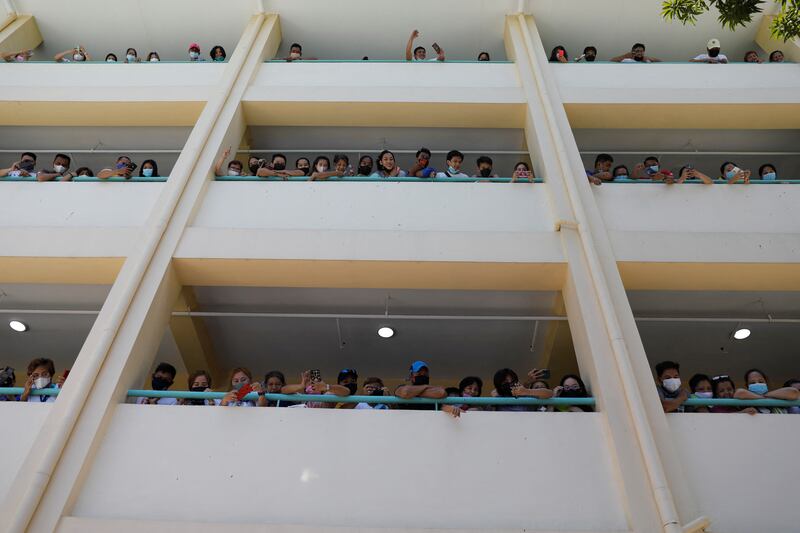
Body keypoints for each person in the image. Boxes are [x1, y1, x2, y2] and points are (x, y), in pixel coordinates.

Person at [395, 360, 459, 416]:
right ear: (411, 376)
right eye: (419, 374)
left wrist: (414, 392)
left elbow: (442, 393)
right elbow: (405, 392)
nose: (423, 376)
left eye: (425, 374)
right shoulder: (401, 387)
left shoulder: (430, 391)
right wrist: (427, 386)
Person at [734, 368, 800, 413]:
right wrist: (763, 397)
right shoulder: (746, 402)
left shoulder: (777, 396)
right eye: (752, 383)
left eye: (761, 381)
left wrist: (766, 395)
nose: (757, 384)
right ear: (747, 386)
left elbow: (794, 392)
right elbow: (739, 393)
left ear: (766, 383)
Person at [281, 370, 350, 408]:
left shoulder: (328, 395)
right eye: (309, 382)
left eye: (315, 382)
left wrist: (327, 387)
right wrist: (301, 386)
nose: (312, 384)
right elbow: (283, 390)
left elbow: (346, 392)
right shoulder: (302, 398)